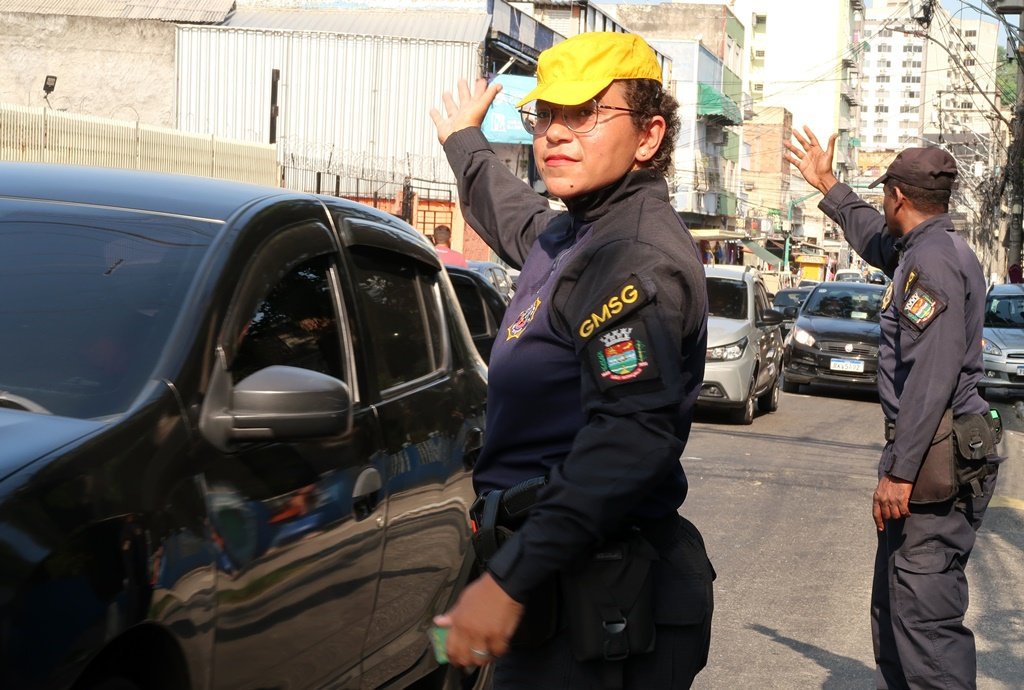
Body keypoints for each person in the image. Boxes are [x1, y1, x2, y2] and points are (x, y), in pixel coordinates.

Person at [429, 31, 713, 688]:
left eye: (584, 114)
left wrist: (510, 578)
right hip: (555, 586)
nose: (556, 132)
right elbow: (517, 220)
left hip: (597, 602)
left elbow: (632, 438)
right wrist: (465, 143)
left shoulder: (632, 258)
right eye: (547, 115)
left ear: (648, 137)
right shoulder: (577, 233)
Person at [785, 128, 999, 689]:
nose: (882, 205)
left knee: (924, 621)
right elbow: (875, 238)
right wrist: (829, 186)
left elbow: (930, 379)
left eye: (885, 196)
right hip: (933, 449)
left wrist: (900, 472)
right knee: (897, 612)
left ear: (899, 196)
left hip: (935, 456)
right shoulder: (925, 249)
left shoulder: (930, 263)